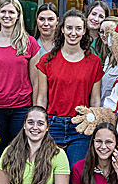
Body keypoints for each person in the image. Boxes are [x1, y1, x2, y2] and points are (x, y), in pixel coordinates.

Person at [36, 9, 103, 168]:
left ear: (84, 31)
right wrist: (40, 124)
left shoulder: (94, 62)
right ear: (62, 29)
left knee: (76, 174)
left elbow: (95, 100)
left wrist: (94, 126)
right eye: (69, 28)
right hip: (53, 124)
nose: (73, 33)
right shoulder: (47, 60)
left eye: (78, 28)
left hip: (81, 126)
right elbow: (42, 97)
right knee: (50, 173)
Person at [0, 0, 40, 151]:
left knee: (17, 152)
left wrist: (36, 109)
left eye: (11, 12)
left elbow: (35, 81)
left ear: (18, 15)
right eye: (3, 11)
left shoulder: (29, 43)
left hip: (21, 108)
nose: (7, 15)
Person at [85, 1, 110, 65]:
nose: (96, 19)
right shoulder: (78, 37)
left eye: (101, 16)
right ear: (88, 14)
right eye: (94, 14)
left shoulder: (107, 41)